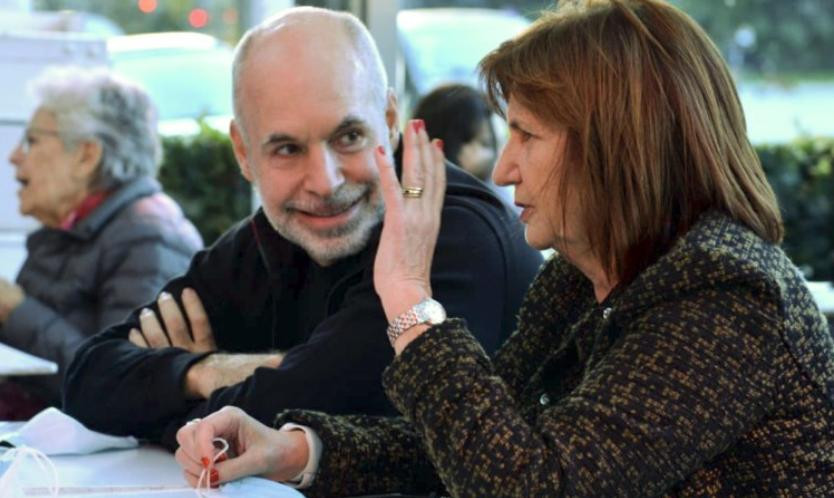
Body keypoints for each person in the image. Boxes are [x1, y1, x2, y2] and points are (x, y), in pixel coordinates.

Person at [173, 0, 834, 496]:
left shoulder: (724, 295)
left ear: (614, 146)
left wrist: (408, 298)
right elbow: (469, 440)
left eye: (526, 136)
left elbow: (531, 485)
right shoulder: (586, 277)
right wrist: (292, 449)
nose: (504, 168)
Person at [63, 5, 542, 455]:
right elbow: (88, 379)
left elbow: (311, 415)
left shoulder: (455, 236)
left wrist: (176, 400)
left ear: (391, 121)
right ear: (244, 153)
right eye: (287, 150)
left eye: (349, 137)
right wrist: (209, 371)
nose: (325, 181)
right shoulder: (275, 234)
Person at [0, 67, 202, 415]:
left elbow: (120, 379)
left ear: (86, 156)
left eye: (32, 141)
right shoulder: (69, 226)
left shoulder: (149, 237)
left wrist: (15, 312)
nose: (14, 156)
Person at [413, 83, 514, 208]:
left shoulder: (495, 192)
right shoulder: (414, 191)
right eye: (485, 144)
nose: (500, 155)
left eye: (503, 143)